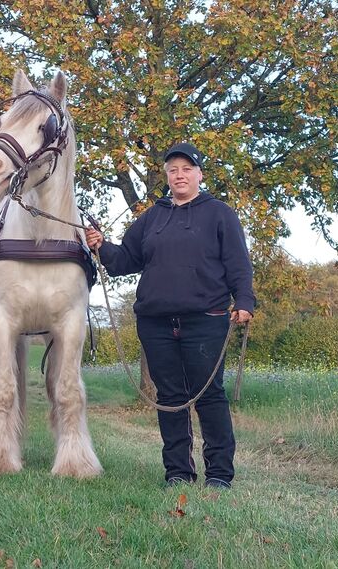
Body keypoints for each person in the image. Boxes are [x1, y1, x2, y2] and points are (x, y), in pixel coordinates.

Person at [85, 142, 255, 489]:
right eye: (173, 170)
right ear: (167, 176)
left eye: (187, 169)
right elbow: (124, 261)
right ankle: (178, 472)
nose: (180, 175)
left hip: (206, 318)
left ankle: (220, 474)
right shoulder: (152, 217)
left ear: (199, 174)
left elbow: (238, 263)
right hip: (156, 322)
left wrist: (245, 301)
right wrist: (102, 245)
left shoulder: (220, 213)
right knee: (171, 399)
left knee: (209, 396)